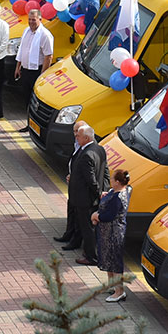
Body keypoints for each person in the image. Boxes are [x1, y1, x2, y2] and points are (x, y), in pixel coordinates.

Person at [62, 122, 108, 264]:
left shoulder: (86, 155)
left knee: (87, 228)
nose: (76, 137)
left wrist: (99, 192)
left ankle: (91, 256)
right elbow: (105, 171)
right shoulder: (99, 149)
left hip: (85, 199)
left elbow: (91, 180)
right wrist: (104, 190)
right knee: (88, 227)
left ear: (87, 138)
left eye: (79, 136)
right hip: (92, 198)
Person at [8, 8, 54, 117]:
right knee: (26, 97)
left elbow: (48, 56)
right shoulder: (26, 31)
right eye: (29, 19)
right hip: (25, 70)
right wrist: (18, 67)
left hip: (36, 71)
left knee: (35, 101)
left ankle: (34, 120)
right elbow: (21, 50)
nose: (31, 22)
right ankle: (28, 120)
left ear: (40, 19)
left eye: (34, 20)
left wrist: (42, 76)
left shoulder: (45, 35)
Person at [96, 169, 132, 301]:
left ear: (117, 182)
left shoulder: (118, 198)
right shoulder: (123, 190)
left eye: (112, 179)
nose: (110, 180)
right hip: (110, 233)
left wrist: (96, 216)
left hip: (113, 233)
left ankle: (119, 291)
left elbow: (108, 216)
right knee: (109, 260)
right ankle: (112, 286)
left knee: (115, 262)